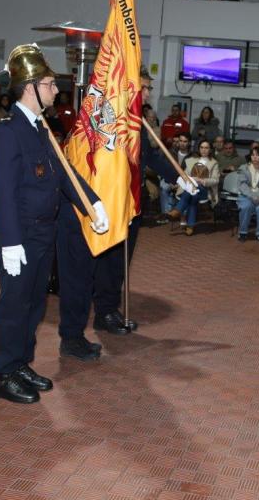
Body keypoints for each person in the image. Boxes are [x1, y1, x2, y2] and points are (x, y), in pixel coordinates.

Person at [0, 44, 109, 403]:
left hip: (43, 231)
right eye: (51, 84)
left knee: (34, 304)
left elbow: (64, 173)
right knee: (14, 305)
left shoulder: (40, 127)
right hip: (20, 234)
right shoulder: (8, 132)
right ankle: (2, 373)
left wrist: (92, 203)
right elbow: (3, 193)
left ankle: (20, 362)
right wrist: (9, 242)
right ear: (31, 86)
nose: (56, 90)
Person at [55, 68, 192, 352]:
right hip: (107, 204)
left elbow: (151, 156)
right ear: (129, 88)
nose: (149, 93)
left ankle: (107, 310)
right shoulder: (108, 119)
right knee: (99, 263)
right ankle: (87, 321)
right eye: (145, 87)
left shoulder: (136, 122)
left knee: (118, 262)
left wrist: (178, 177)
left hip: (131, 203)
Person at [168, 140, 220, 236]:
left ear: (210, 149)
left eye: (206, 148)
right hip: (191, 189)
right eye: (202, 147)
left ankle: (178, 209)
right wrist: (190, 179)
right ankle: (190, 226)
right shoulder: (191, 160)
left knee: (193, 190)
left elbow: (216, 180)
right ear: (198, 149)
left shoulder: (213, 163)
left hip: (205, 190)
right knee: (193, 196)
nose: (204, 150)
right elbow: (185, 175)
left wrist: (201, 180)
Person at [236, 146, 259, 243]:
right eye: (253, 155)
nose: (255, 157)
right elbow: (242, 185)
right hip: (246, 195)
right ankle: (243, 232)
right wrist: (252, 196)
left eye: (258, 155)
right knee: (246, 206)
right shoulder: (244, 168)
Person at [159, 132, 192, 217]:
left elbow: (191, 174)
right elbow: (164, 169)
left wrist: (179, 184)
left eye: (185, 141)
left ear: (189, 143)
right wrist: (171, 181)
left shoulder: (192, 156)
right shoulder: (170, 152)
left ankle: (183, 213)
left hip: (185, 182)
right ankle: (166, 214)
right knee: (164, 187)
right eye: (180, 141)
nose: (182, 143)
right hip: (170, 179)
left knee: (188, 189)